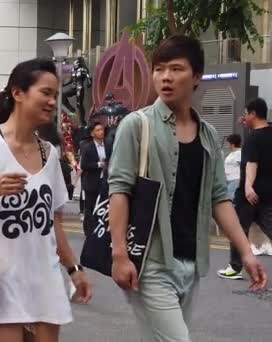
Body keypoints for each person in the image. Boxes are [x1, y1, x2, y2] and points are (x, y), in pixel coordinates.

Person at [108, 35, 267, 342]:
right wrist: (119, 255)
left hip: (190, 264)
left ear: (196, 76)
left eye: (176, 69)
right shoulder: (137, 125)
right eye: (159, 68)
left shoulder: (208, 134)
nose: (165, 77)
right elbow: (119, 191)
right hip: (150, 263)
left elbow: (219, 198)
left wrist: (246, 252)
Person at [0, 58, 92, 342]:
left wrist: (74, 269)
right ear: (18, 93)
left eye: (55, 94)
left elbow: (54, 223)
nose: (53, 101)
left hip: (45, 281)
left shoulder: (49, 154)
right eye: (46, 92)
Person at [218, 98, 272, 278]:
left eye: (246, 113)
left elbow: (251, 163)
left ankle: (235, 267)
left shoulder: (251, 140)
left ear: (253, 114)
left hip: (249, 196)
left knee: (238, 229)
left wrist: (248, 186)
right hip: (269, 194)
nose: (244, 117)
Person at [79, 121, 112, 236]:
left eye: (102, 129)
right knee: (90, 208)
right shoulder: (87, 147)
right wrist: (98, 165)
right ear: (92, 133)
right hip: (92, 182)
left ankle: (102, 230)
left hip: (106, 181)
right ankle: (89, 232)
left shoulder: (108, 144)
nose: (101, 132)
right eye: (98, 130)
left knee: (104, 207)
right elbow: (84, 165)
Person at [224, 134, 242, 202]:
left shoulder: (239, 153)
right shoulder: (232, 153)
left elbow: (243, 167)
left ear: (232, 144)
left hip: (235, 180)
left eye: (228, 143)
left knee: (231, 200)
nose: (227, 145)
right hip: (228, 180)